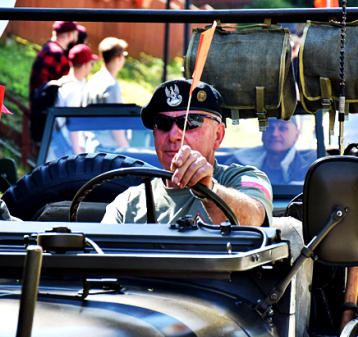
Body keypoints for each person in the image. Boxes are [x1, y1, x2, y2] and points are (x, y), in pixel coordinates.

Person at [101, 79, 273, 226]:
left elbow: (255, 218)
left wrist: (209, 191)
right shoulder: (128, 204)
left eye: (190, 122)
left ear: (217, 136)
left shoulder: (245, 179)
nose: (174, 135)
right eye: (162, 122)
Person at [227, 118, 314, 185]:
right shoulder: (239, 164)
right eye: (269, 128)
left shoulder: (308, 170)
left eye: (282, 128)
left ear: (296, 135)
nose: (274, 134)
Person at [51, 44, 98, 157]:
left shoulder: (64, 81)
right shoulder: (74, 90)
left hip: (58, 144)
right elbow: (73, 125)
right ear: (86, 64)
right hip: (65, 149)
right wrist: (78, 154)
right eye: (91, 63)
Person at [83, 37, 130, 150]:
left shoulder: (92, 80)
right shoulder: (111, 85)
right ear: (120, 57)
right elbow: (115, 123)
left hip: (91, 146)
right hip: (107, 149)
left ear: (102, 56)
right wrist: (126, 148)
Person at [29, 21, 80, 104]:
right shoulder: (57, 54)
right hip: (46, 110)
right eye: (76, 35)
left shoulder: (48, 48)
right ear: (70, 35)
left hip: (38, 108)